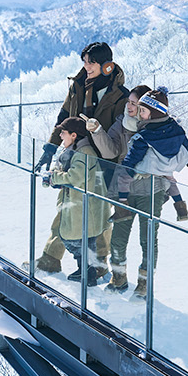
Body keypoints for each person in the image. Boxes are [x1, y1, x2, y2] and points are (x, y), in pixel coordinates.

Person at [30, 43, 128, 274]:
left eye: (91, 62)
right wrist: (50, 147)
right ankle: (50, 258)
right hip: (76, 155)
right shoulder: (78, 86)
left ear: (107, 65)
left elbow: (119, 137)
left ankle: (99, 264)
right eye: (84, 61)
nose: (86, 66)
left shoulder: (120, 96)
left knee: (100, 214)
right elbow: (64, 117)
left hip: (105, 163)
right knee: (67, 206)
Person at [117, 87, 188, 297]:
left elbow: (130, 164)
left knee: (128, 234)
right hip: (161, 182)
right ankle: (144, 283)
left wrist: (128, 170)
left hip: (145, 185)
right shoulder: (176, 129)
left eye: (143, 111)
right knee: (150, 238)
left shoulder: (143, 136)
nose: (139, 114)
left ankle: (122, 206)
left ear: (153, 113)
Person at [45, 117, 111, 286]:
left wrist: (54, 177)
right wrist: (56, 176)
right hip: (82, 204)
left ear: (74, 135)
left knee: (72, 238)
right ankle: (87, 273)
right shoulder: (75, 150)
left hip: (83, 205)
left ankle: (88, 272)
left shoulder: (83, 153)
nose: (60, 135)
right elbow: (61, 167)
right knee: (85, 239)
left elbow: (75, 177)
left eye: (63, 132)